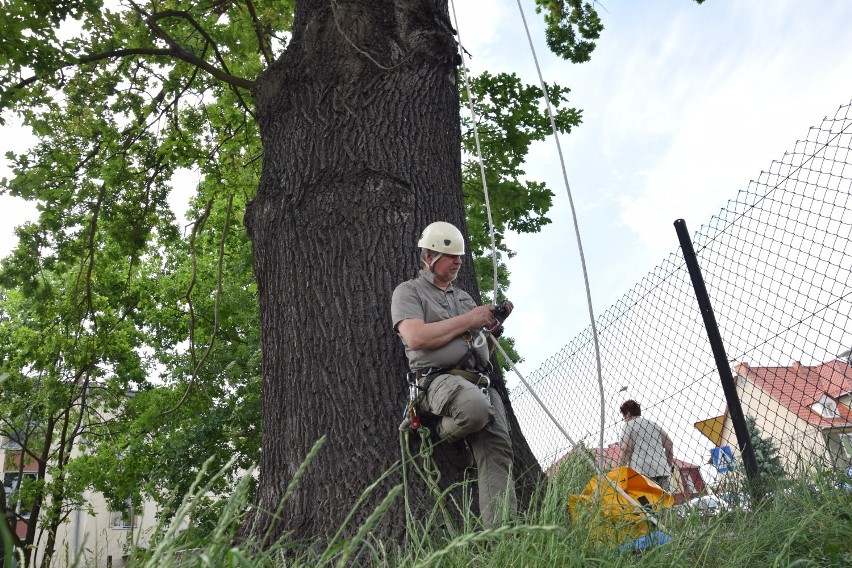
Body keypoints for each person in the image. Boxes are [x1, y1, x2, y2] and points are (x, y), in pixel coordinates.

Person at [391, 221, 517, 527]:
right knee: (474, 409)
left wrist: (490, 330)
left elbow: (478, 344)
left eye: (460, 256)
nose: (459, 261)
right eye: (451, 256)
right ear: (429, 257)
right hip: (437, 380)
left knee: (498, 450)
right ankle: (444, 435)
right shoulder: (409, 292)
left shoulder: (463, 298)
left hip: (477, 379)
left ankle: (503, 535)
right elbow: (416, 337)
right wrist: (469, 319)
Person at [618, 400, 675, 491]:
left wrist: (619, 471)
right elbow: (669, 444)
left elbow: (626, 449)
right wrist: (668, 464)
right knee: (664, 500)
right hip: (661, 469)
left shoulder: (628, 425)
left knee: (647, 502)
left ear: (628, 414)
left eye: (624, 416)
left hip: (641, 471)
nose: (624, 419)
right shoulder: (654, 424)